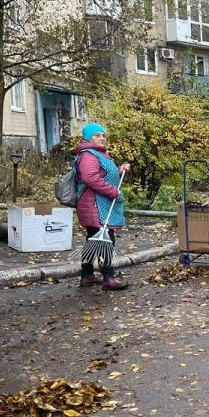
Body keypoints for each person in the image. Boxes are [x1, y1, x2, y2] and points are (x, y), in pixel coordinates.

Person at [75, 123, 130, 291]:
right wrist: (113, 192)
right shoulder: (88, 155)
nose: (102, 138)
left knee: (93, 239)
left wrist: (119, 170)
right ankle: (108, 278)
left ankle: (87, 276)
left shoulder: (99, 154)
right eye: (97, 135)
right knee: (106, 239)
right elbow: (90, 178)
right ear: (88, 137)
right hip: (94, 205)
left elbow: (104, 174)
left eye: (104, 135)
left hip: (100, 204)